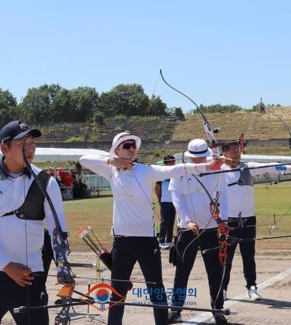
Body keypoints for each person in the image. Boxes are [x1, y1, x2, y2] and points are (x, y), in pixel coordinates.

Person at [79, 132, 221, 325]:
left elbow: (178, 169)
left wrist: (206, 165)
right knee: (117, 293)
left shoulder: (146, 171)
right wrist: (112, 161)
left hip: (147, 241)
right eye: (127, 146)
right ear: (117, 150)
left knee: (157, 291)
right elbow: (83, 159)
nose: (131, 149)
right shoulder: (110, 171)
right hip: (122, 242)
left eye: (134, 146)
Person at [0, 120, 70, 325]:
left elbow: (58, 229)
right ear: (4, 148)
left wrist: (63, 268)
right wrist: (6, 266)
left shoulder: (45, 182)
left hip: (28, 275)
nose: (30, 149)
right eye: (23, 144)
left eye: (32, 143)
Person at [219, 140, 291, 301]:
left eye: (238, 150)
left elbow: (271, 166)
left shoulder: (247, 167)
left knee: (248, 256)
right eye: (233, 151)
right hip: (228, 222)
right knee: (226, 257)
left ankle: (252, 287)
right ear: (225, 153)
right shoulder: (218, 170)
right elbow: (204, 164)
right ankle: (222, 289)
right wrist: (222, 161)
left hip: (248, 219)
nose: (237, 153)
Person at [167, 139, 228, 325]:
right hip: (188, 230)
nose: (199, 162)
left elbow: (223, 195)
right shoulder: (179, 171)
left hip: (211, 229)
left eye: (202, 158)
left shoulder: (216, 169)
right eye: (195, 158)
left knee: (215, 271)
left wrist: (223, 220)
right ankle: (175, 310)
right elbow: (176, 199)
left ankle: (217, 310)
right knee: (182, 272)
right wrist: (187, 220)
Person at [155, 155, 177, 250]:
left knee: (171, 221)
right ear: (167, 163)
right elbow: (157, 187)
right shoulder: (161, 173)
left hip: (174, 200)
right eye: (171, 162)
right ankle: (161, 241)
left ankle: (169, 240)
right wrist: (159, 198)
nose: (173, 163)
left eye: (173, 161)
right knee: (164, 221)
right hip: (165, 200)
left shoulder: (175, 172)